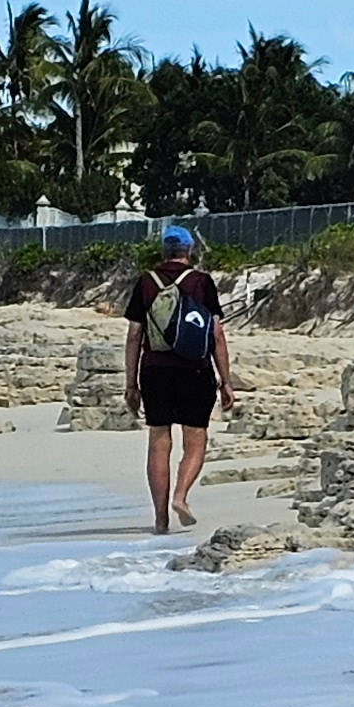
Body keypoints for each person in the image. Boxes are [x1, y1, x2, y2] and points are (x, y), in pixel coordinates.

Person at [121, 223, 235, 532]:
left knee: (159, 441)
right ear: (188, 251)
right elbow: (217, 334)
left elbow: (134, 334)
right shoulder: (201, 282)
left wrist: (131, 383)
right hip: (195, 370)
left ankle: (160, 520)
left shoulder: (146, 282)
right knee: (195, 440)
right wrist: (226, 380)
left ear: (163, 251)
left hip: (155, 371)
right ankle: (181, 497)